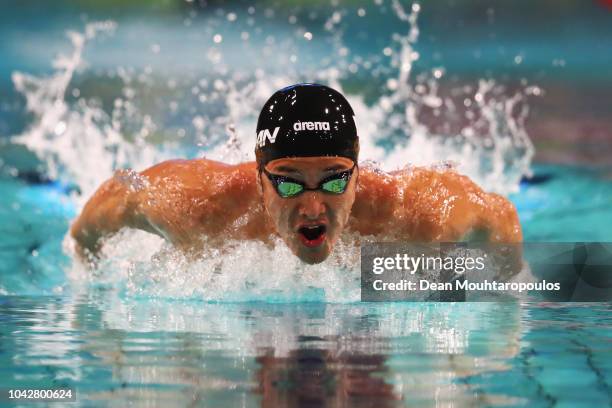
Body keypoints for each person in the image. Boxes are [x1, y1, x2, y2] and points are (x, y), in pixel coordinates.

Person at [70, 83, 521, 265]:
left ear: (358, 169)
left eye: (334, 179)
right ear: (259, 174)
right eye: (287, 182)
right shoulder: (198, 208)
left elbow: (502, 221)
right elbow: (95, 220)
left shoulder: (421, 217)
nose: (312, 208)